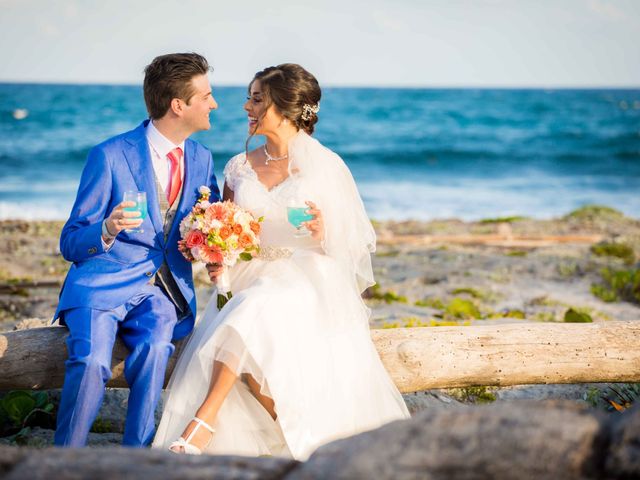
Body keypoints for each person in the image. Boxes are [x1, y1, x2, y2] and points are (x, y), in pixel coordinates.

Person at [153, 63, 409, 460]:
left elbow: (352, 246)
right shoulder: (239, 166)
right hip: (250, 276)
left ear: (286, 107)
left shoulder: (326, 166)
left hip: (307, 277)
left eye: (257, 98)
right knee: (252, 309)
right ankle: (306, 437)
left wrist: (325, 233)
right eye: (250, 97)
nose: (246, 107)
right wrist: (217, 258)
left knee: (256, 307)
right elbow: (229, 230)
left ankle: (203, 420)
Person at [53, 53, 221, 447]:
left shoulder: (201, 158)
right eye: (207, 96)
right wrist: (108, 228)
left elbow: (207, 222)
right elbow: (71, 241)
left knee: (156, 350)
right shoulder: (110, 155)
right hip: (101, 286)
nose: (214, 104)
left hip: (162, 293)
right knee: (92, 362)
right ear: (179, 105)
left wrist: (215, 248)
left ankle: (138, 460)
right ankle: (63, 460)